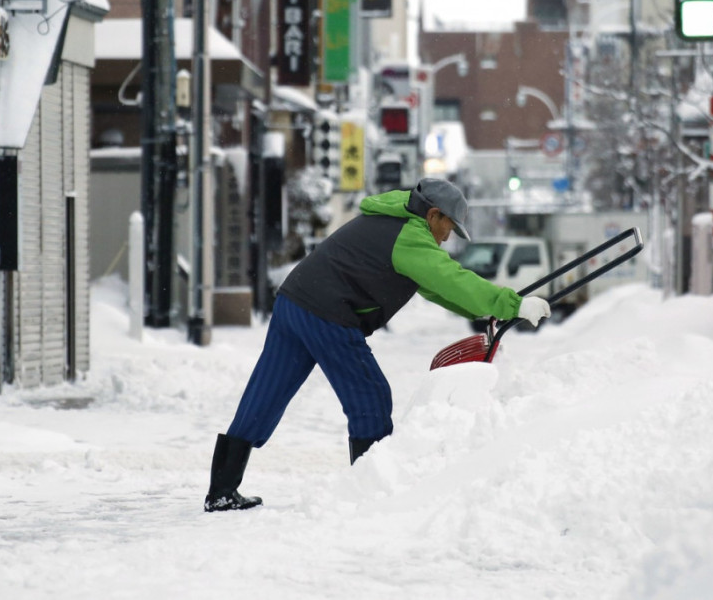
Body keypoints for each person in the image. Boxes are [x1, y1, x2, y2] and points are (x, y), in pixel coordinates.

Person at [204, 178, 551, 512]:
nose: (448, 238)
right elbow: (449, 277)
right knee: (370, 396)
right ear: (433, 215)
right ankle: (372, 493)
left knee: (267, 392)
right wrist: (513, 304)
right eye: (450, 227)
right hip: (327, 312)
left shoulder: (393, 221)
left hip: (294, 301)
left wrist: (486, 310)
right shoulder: (410, 236)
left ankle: (221, 489)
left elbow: (434, 286)